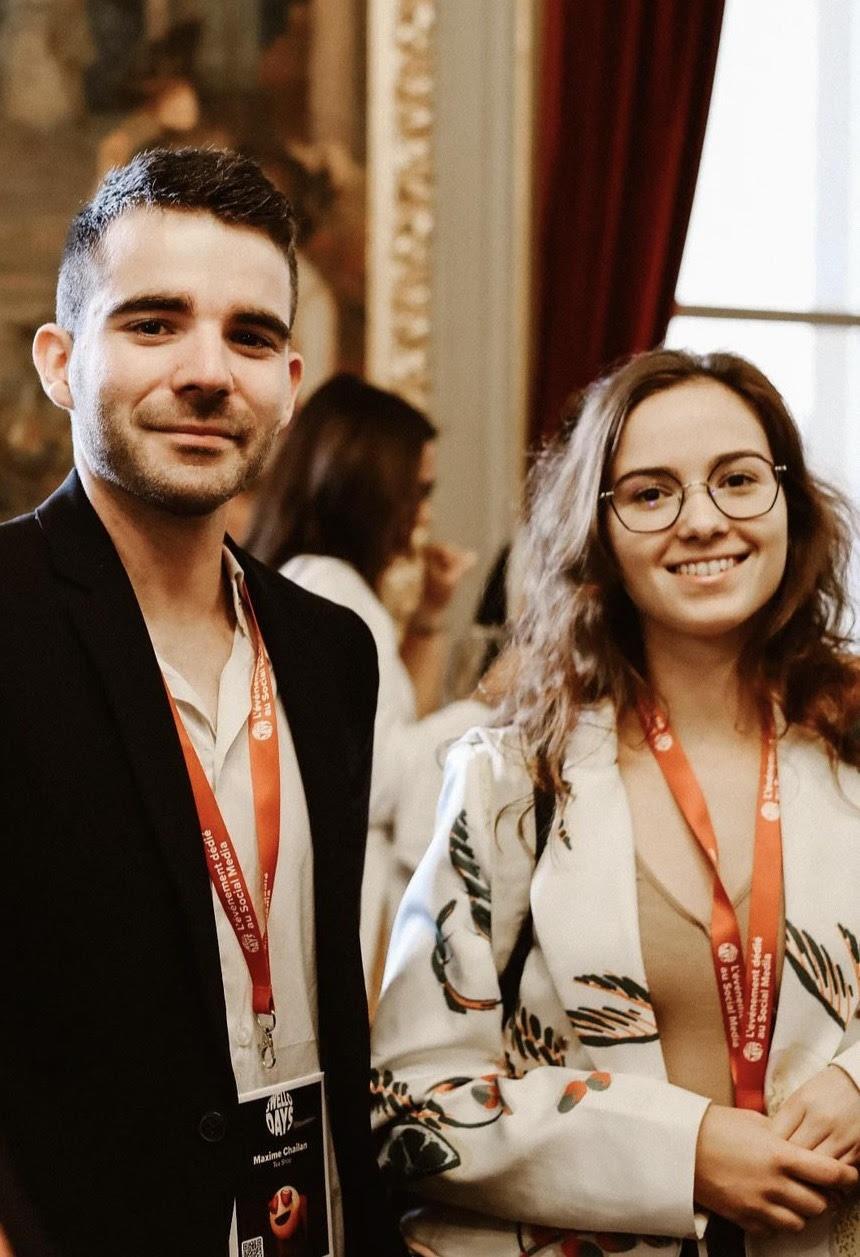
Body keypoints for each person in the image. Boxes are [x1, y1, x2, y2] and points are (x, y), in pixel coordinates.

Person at [0, 147, 403, 1257]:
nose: (209, 371)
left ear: (291, 380)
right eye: (154, 323)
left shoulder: (330, 651)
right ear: (60, 361)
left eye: (251, 337)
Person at [370, 348, 860, 1257]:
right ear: (597, 532)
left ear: (789, 501)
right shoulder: (512, 780)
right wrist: (682, 1155)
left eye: (738, 479)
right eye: (650, 493)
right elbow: (412, 1101)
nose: (702, 520)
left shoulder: (853, 747)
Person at [246, 374, 489, 1001]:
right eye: (419, 490)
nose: (425, 512)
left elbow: (387, 726)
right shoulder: (329, 587)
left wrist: (430, 614)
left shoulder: (320, 583)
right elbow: (372, 778)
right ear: (370, 488)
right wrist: (491, 702)